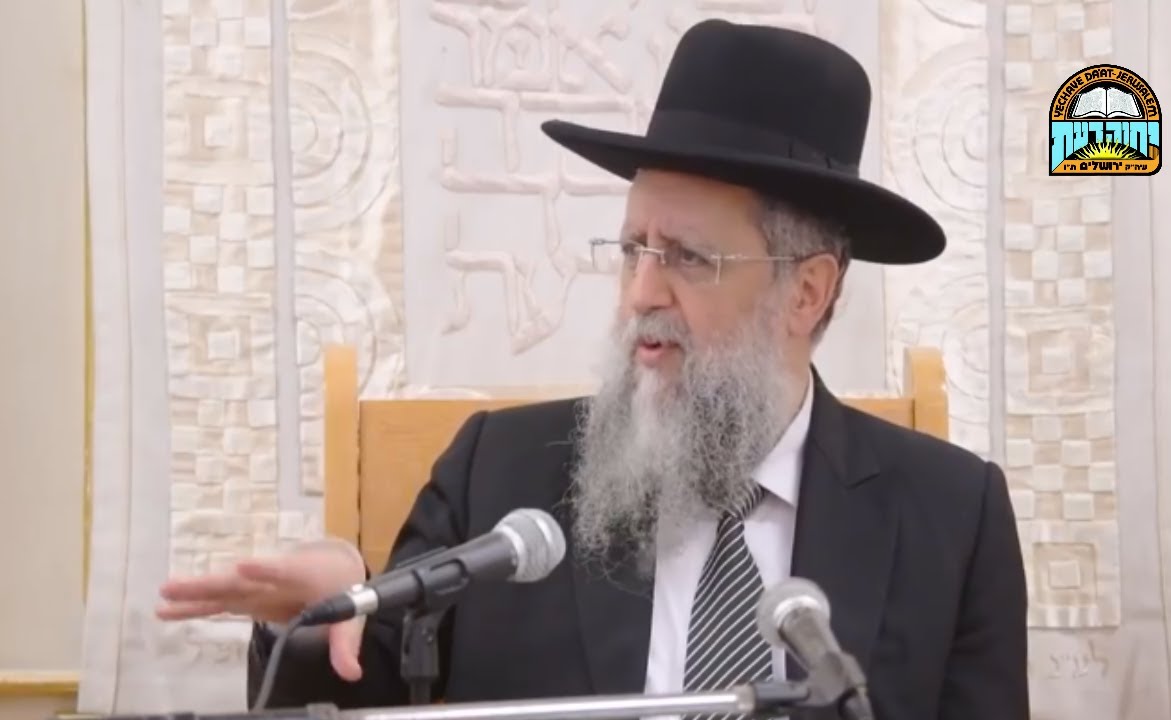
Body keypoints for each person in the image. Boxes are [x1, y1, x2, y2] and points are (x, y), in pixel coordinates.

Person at [155, 18, 1029, 720]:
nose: (640, 293)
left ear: (807, 292)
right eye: (632, 248)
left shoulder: (953, 516)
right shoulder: (499, 475)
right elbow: (367, 685)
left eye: (688, 258)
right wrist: (318, 620)